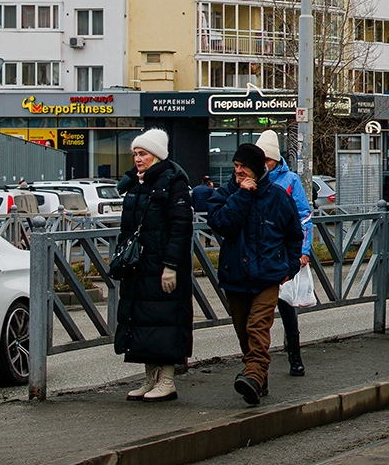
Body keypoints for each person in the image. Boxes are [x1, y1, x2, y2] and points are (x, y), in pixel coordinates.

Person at [207, 144, 302, 405]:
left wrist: (291, 266)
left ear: (258, 168)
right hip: (235, 276)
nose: (238, 171)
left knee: (258, 327)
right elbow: (221, 223)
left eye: (244, 167)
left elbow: (294, 235)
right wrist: (243, 195)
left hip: (267, 276)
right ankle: (258, 376)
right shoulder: (228, 193)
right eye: (236, 166)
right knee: (243, 333)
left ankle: (252, 375)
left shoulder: (278, 197)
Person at [113, 128, 193, 402]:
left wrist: (170, 265)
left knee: (165, 320)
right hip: (139, 265)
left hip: (161, 265)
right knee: (143, 321)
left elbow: (181, 227)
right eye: (135, 153)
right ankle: (150, 378)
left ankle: (167, 380)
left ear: (157, 156)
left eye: (143, 153)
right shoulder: (137, 183)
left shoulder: (174, 182)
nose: (137, 158)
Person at [255, 130, 311, 377]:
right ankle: (257, 361)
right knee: (257, 311)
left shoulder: (290, 180)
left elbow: (304, 216)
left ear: (276, 159)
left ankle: (294, 356)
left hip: (281, 252)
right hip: (257, 253)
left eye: (268, 160)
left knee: (286, 306)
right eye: (261, 160)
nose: (264, 165)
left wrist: (303, 251)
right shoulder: (250, 179)